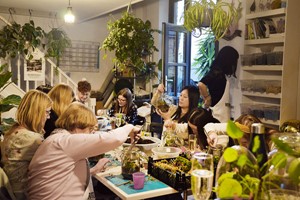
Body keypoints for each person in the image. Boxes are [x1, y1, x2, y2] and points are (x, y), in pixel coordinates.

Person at [27, 102, 140, 200]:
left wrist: (93, 170)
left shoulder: (57, 138)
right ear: (76, 125)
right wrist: (129, 127)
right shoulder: (66, 142)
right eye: (90, 129)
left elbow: (62, 175)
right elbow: (112, 138)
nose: (91, 134)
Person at [1, 90, 52, 199]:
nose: (48, 117)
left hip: (10, 191)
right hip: (23, 195)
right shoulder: (31, 139)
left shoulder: (13, 130)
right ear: (36, 112)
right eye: (47, 112)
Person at [198, 46, 239, 122]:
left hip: (222, 111)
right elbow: (201, 84)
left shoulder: (220, 74)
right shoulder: (216, 73)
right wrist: (207, 97)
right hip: (217, 113)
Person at [206, 114, 276, 151]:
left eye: (244, 143)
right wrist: (212, 134)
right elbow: (209, 126)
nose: (242, 147)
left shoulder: (272, 140)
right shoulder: (237, 128)